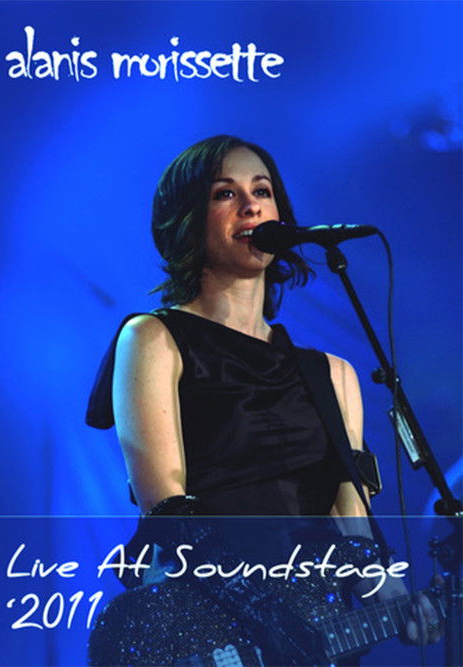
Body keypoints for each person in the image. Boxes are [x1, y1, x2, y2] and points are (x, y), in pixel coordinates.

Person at [86, 135, 442, 664]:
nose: (251, 206)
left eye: (263, 191)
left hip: (313, 626)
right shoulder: (152, 338)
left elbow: (352, 521)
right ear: (188, 220)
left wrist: (388, 594)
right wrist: (270, 617)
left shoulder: (333, 375)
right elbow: (166, 506)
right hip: (204, 625)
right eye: (225, 194)